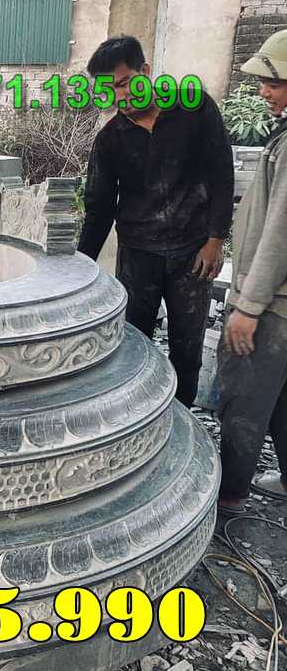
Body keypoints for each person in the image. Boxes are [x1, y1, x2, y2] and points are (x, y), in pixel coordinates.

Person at [77, 36, 234, 407]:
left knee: (187, 349)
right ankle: (136, 418)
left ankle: (181, 419)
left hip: (193, 254)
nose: (121, 96)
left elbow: (222, 173)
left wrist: (216, 239)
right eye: (110, 91)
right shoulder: (110, 140)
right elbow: (99, 209)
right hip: (138, 256)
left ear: (145, 71)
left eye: (125, 83)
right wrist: (80, 267)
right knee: (132, 346)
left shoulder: (195, 109)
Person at [216, 29, 287, 515]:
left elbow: (280, 232)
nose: (263, 91)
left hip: (273, 307)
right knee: (281, 401)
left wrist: (248, 306)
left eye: (273, 83)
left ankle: (230, 499)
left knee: (243, 399)